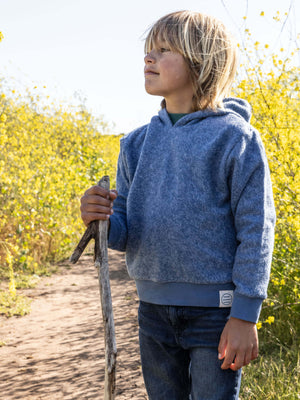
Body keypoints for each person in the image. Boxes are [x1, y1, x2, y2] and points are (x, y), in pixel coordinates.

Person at [80, 10, 276, 400]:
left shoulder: (236, 139)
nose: (148, 58)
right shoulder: (135, 144)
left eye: (164, 49)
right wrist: (98, 218)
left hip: (217, 314)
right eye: (148, 50)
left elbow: (257, 230)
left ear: (201, 62)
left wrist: (244, 315)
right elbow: (125, 234)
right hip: (152, 310)